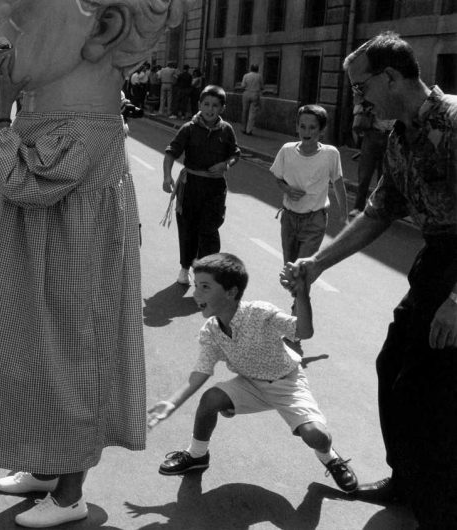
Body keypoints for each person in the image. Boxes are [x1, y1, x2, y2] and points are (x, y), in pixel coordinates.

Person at [0, 0, 194, 527]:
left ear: (106, 25)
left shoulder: (85, 131)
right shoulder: (76, 121)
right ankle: (45, 466)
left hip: (68, 269)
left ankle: (70, 494)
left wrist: (2, 112)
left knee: (68, 356)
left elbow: (19, 179)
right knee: (42, 352)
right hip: (49, 260)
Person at [281, 32, 457, 529]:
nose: (359, 98)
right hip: (436, 259)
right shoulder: (400, 137)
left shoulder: (454, 123)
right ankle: (407, 480)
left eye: (362, 87)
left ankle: (441, 507)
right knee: (393, 367)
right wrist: (317, 264)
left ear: (392, 77)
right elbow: (379, 212)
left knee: (435, 390)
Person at [147, 253, 358, 492]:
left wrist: (302, 293)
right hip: (249, 383)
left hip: (287, 383)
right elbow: (201, 372)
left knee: (317, 436)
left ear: (231, 292)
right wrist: (171, 403)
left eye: (205, 287)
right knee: (211, 399)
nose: (196, 293)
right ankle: (197, 455)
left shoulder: (259, 313)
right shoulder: (211, 331)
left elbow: (304, 331)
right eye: (196, 286)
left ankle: (330, 458)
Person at [162, 85, 240, 286]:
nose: (210, 109)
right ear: (199, 105)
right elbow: (171, 153)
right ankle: (185, 267)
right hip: (191, 186)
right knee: (188, 228)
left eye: (215, 105)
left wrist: (226, 164)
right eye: (206, 104)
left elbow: (235, 154)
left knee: (210, 230)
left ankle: (207, 272)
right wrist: (167, 177)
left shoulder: (226, 130)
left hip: (215, 188)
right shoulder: (189, 128)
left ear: (222, 107)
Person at [270, 104, 349, 264]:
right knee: (290, 268)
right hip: (289, 219)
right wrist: (288, 190)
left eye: (312, 127)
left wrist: (344, 215)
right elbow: (278, 178)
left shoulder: (330, 154)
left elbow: (338, 184)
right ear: (297, 127)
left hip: (315, 219)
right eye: (303, 126)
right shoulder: (286, 150)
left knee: (302, 269)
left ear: (322, 130)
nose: (306, 132)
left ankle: (300, 285)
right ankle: (295, 288)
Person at [349, 103, 390, 217]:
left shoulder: (395, 98)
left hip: (389, 136)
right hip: (372, 134)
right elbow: (357, 108)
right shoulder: (373, 97)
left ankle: (379, 208)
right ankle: (358, 207)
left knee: (384, 176)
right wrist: (365, 108)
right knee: (365, 173)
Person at [240, 63, 263, 135]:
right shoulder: (259, 76)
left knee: (245, 111)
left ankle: (243, 128)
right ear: (257, 69)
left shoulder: (246, 75)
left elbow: (243, 86)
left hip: (246, 93)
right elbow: (262, 86)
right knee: (252, 113)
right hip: (255, 94)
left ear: (251, 68)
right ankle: (249, 130)